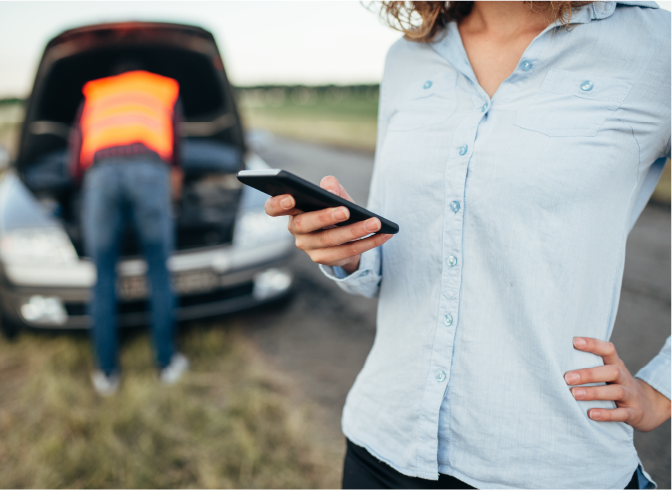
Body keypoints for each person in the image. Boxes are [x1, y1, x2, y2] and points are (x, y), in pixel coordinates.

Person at [265, 0, 672, 488]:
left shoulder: (653, 46)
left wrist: (661, 390)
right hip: (382, 447)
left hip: (548, 465)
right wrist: (349, 253)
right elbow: (390, 261)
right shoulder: (408, 57)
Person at [69, 60, 189, 396]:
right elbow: (178, 146)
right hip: (150, 172)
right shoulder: (163, 87)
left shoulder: (96, 92)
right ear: (141, 73)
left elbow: (76, 148)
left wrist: (84, 188)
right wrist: (173, 192)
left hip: (101, 175)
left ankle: (106, 373)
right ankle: (166, 363)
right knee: (158, 271)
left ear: (115, 75)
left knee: (103, 275)